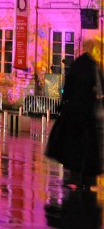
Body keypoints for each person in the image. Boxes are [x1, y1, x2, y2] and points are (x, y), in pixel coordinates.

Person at [47, 39, 103, 189]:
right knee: (88, 147)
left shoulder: (79, 64)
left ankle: (75, 177)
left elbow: (68, 85)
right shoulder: (93, 66)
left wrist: (63, 104)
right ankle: (87, 179)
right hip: (87, 113)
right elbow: (99, 87)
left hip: (74, 113)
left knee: (74, 146)